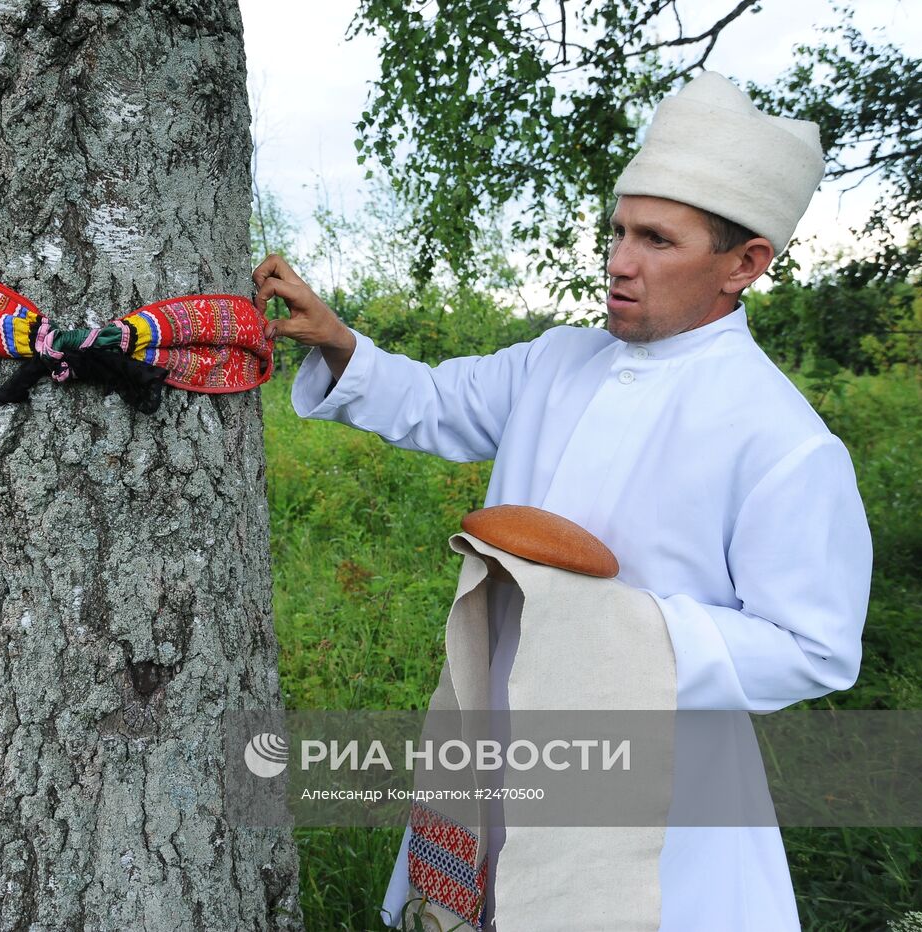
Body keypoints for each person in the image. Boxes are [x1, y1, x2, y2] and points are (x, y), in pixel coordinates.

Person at [253, 72, 872, 931]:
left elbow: (813, 648)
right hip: (493, 724)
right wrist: (341, 343)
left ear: (745, 264)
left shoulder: (784, 439)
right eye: (619, 230)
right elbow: (437, 401)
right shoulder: (557, 360)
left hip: (656, 778)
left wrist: (615, 631)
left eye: (658, 239)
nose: (619, 261)